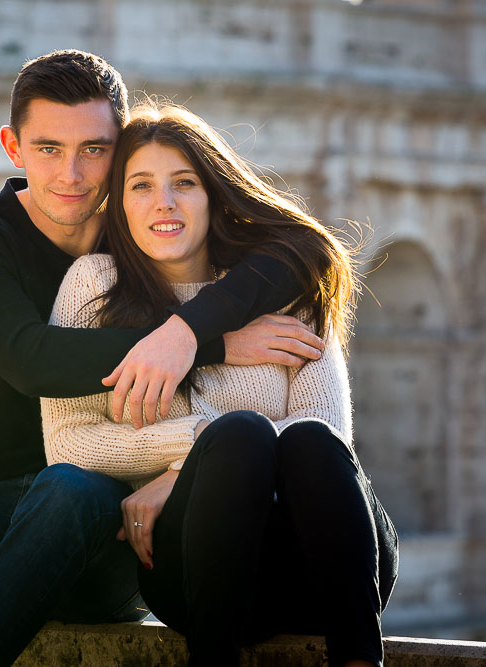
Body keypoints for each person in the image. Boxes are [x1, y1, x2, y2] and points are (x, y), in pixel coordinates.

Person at [0, 50, 326, 666]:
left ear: (122, 148)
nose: (72, 174)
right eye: (49, 148)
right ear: (13, 147)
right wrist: (209, 343)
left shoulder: (145, 224)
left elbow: (297, 248)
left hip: (118, 514)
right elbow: (32, 359)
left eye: (95, 149)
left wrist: (187, 331)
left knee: (68, 489)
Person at [41, 102, 399, 667]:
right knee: (237, 436)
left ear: (214, 195)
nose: (164, 202)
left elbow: (329, 438)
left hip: (319, 561)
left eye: (184, 182)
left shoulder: (284, 289)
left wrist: (179, 470)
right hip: (194, 567)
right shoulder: (94, 287)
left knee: (305, 440)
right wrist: (204, 451)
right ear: (120, 205)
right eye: (141, 186)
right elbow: (67, 442)